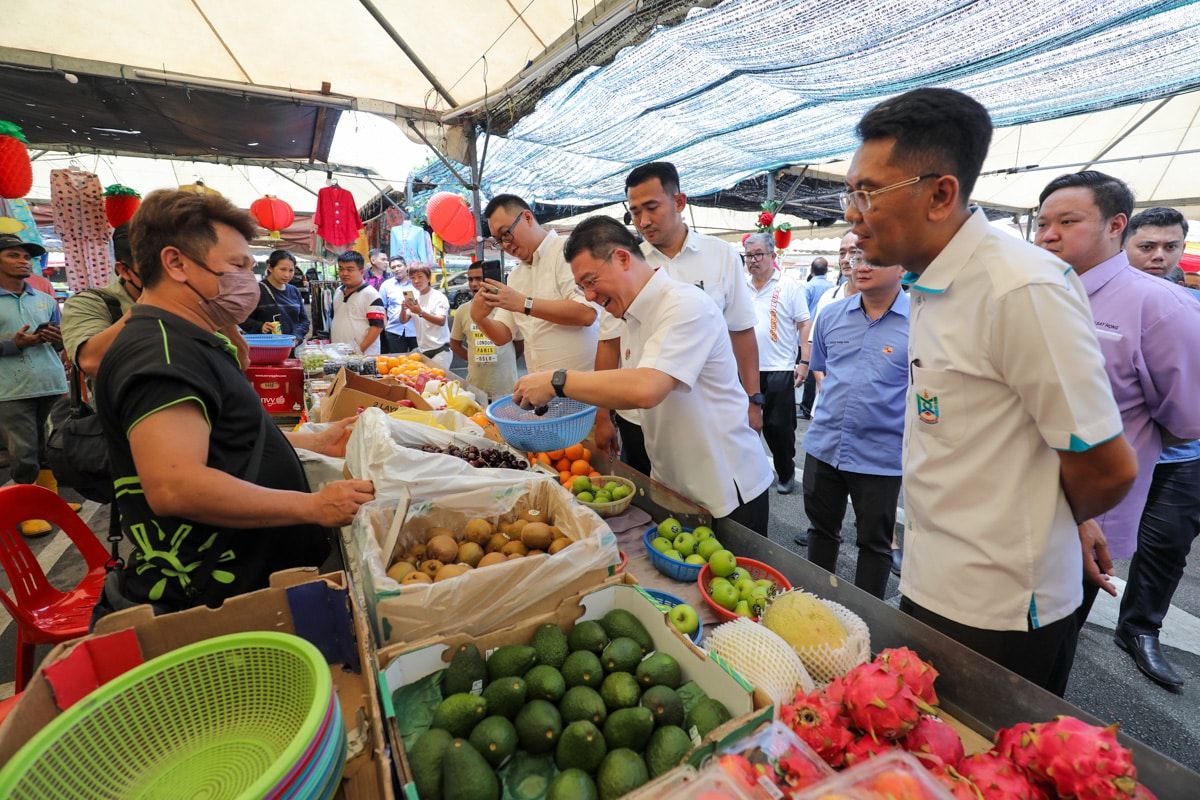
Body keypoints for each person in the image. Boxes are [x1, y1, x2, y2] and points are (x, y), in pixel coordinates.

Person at [845, 87, 1135, 695]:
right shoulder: (932, 283)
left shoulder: (1018, 289)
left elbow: (1107, 466)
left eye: (868, 191)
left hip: (998, 608)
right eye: (851, 191)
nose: (853, 211)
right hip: (934, 577)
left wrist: (1056, 521)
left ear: (941, 194)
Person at [92, 189, 375, 616]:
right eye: (237, 266)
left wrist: (314, 444)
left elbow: (220, 444)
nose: (248, 280)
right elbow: (177, 486)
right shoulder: (162, 354)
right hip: (211, 600)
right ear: (176, 263)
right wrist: (314, 506)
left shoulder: (189, 339)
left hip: (243, 584)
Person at [1036, 179, 1200, 688]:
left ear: (1114, 225)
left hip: (1087, 512)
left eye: (1067, 222)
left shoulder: (1161, 308)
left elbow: (1186, 418)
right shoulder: (1038, 292)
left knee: (1046, 647)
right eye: (1043, 223)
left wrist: (1127, 447)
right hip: (1021, 496)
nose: (1049, 236)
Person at [513, 217, 774, 534]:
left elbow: (647, 387)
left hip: (726, 491)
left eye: (591, 281)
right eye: (582, 288)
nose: (590, 297)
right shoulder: (631, 316)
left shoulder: (685, 305)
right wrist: (602, 416)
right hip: (676, 485)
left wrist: (557, 381)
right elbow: (624, 385)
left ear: (622, 258)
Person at [596, 162, 761, 472]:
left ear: (679, 202)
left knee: (710, 498)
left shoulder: (720, 255)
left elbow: (741, 331)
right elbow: (608, 343)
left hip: (706, 414)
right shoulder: (626, 263)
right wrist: (602, 415)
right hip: (639, 417)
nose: (643, 221)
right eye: (634, 212)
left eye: (651, 207)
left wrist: (754, 399)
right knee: (652, 505)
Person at [801, 258, 909, 599]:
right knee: (821, 531)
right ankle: (814, 610)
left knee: (874, 545)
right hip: (825, 446)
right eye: (858, 257)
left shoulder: (921, 324)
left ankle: (866, 623)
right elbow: (821, 368)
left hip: (880, 457)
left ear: (902, 267)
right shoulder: (831, 316)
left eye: (876, 259)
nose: (861, 265)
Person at [470, 194, 599, 374]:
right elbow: (503, 335)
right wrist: (479, 318)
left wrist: (524, 303)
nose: (505, 245)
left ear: (527, 218)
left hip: (584, 388)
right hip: (541, 391)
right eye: (498, 241)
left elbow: (587, 314)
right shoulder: (515, 276)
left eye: (506, 233)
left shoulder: (568, 251)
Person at [0, 235, 69, 536]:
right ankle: (27, 510)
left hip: (49, 381)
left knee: (48, 447)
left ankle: (50, 502)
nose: (23, 261)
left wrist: (57, 340)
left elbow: (59, 344)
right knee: (23, 451)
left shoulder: (46, 300)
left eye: (26, 256)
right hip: (10, 389)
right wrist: (13, 344)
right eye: (13, 255)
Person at [743, 232, 810, 494]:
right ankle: (750, 474)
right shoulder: (741, 286)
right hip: (746, 369)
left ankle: (785, 472)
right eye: (749, 255)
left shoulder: (789, 286)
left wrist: (803, 361)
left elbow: (804, 323)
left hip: (779, 369)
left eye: (759, 254)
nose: (753, 260)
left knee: (779, 428)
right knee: (744, 426)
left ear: (772, 255)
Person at [62, 223, 141, 381]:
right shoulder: (88, 302)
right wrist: (156, 299)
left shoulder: (197, 298)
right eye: (156, 267)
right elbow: (92, 361)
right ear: (124, 270)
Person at [800, 233, 859, 420]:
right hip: (827, 407)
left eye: (853, 252)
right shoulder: (829, 297)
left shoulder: (881, 302)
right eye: (842, 253)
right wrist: (824, 386)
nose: (846, 259)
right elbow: (817, 352)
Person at [450, 261, 523, 401]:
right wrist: (474, 358)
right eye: (470, 279)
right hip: (476, 386)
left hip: (506, 386)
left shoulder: (507, 308)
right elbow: (455, 344)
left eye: (479, 278)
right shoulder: (463, 310)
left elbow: (519, 345)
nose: (474, 284)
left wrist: (504, 361)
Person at [241, 249, 310, 345]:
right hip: (266, 349)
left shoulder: (294, 291)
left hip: (291, 347)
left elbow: (304, 321)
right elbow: (241, 318)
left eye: (291, 270)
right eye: (282, 269)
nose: (287, 275)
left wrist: (296, 337)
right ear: (270, 268)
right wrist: (260, 326)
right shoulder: (256, 290)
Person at [331, 250, 385, 355]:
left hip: (364, 356)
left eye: (350, 269)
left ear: (361, 271)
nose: (344, 273)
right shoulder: (338, 292)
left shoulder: (371, 294)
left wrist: (359, 350)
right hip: (339, 354)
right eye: (341, 269)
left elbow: (377, 327)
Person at [401, 263, 452, 369]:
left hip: (440, 350)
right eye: (412, 278)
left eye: (420, 276)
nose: (416, 281)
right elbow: (403, 320)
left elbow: (441, 321)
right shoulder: (415, 297)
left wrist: (420, 312)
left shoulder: (439, 297)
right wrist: (403, 308)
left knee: (438, 382)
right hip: (422, 350)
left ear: (428, 278)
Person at [379, 256, 418, 353]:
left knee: (418, 361)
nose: (396, 269)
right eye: (393, 267)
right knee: (397, 362)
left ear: (406, 266)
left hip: (415, 330)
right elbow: (381, 307)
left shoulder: (416, 283)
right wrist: (386, 326)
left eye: (399, 266)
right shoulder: (386, 285)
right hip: (394, 331)